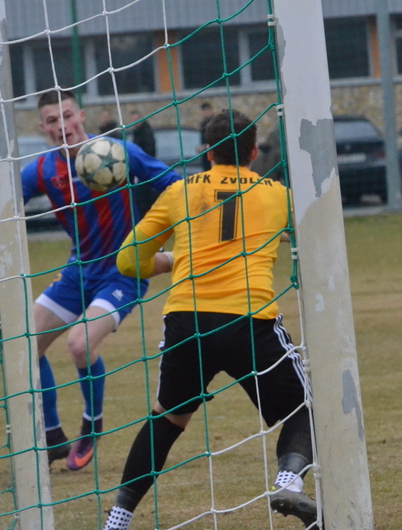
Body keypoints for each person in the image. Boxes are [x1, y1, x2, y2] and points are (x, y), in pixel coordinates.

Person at [106, 109, 317, 530]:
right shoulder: (277, 194)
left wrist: (171, 260)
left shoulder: (180, 192)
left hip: (187, 322)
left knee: (167, 418)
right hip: (249, 321)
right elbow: (314, 240)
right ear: (254, 151)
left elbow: (128, 260)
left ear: (207, 153)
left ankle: (118, 519)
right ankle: (289, 481)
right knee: (308, 407)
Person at [20, 90, 181, 472]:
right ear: (43, 128)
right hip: (78, 272)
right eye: (52, 121)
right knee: (24, 346)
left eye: (67, 116)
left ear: (81, 116)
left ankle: (92, 425)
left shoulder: (119, 153)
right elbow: (2, 205)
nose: (62, 126)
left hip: (122, 272)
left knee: (79, 345)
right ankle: (53, 436)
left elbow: (172, 184)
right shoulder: (41, 170)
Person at [128, 110, 158, 216]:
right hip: (140, 172)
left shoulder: (146, 133)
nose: (135, 122)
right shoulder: (136, 133)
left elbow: (149, 152)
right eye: (133, 120)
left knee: (145, 199)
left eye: (137, 119)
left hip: (145, 172)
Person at [197, 102, 214, 172]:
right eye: (204, 111)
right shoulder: (203, 124)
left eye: (207, 111)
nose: (205, 113)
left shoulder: (214, 123)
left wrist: (205, 146)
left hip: (213, 155)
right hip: (205, 156)